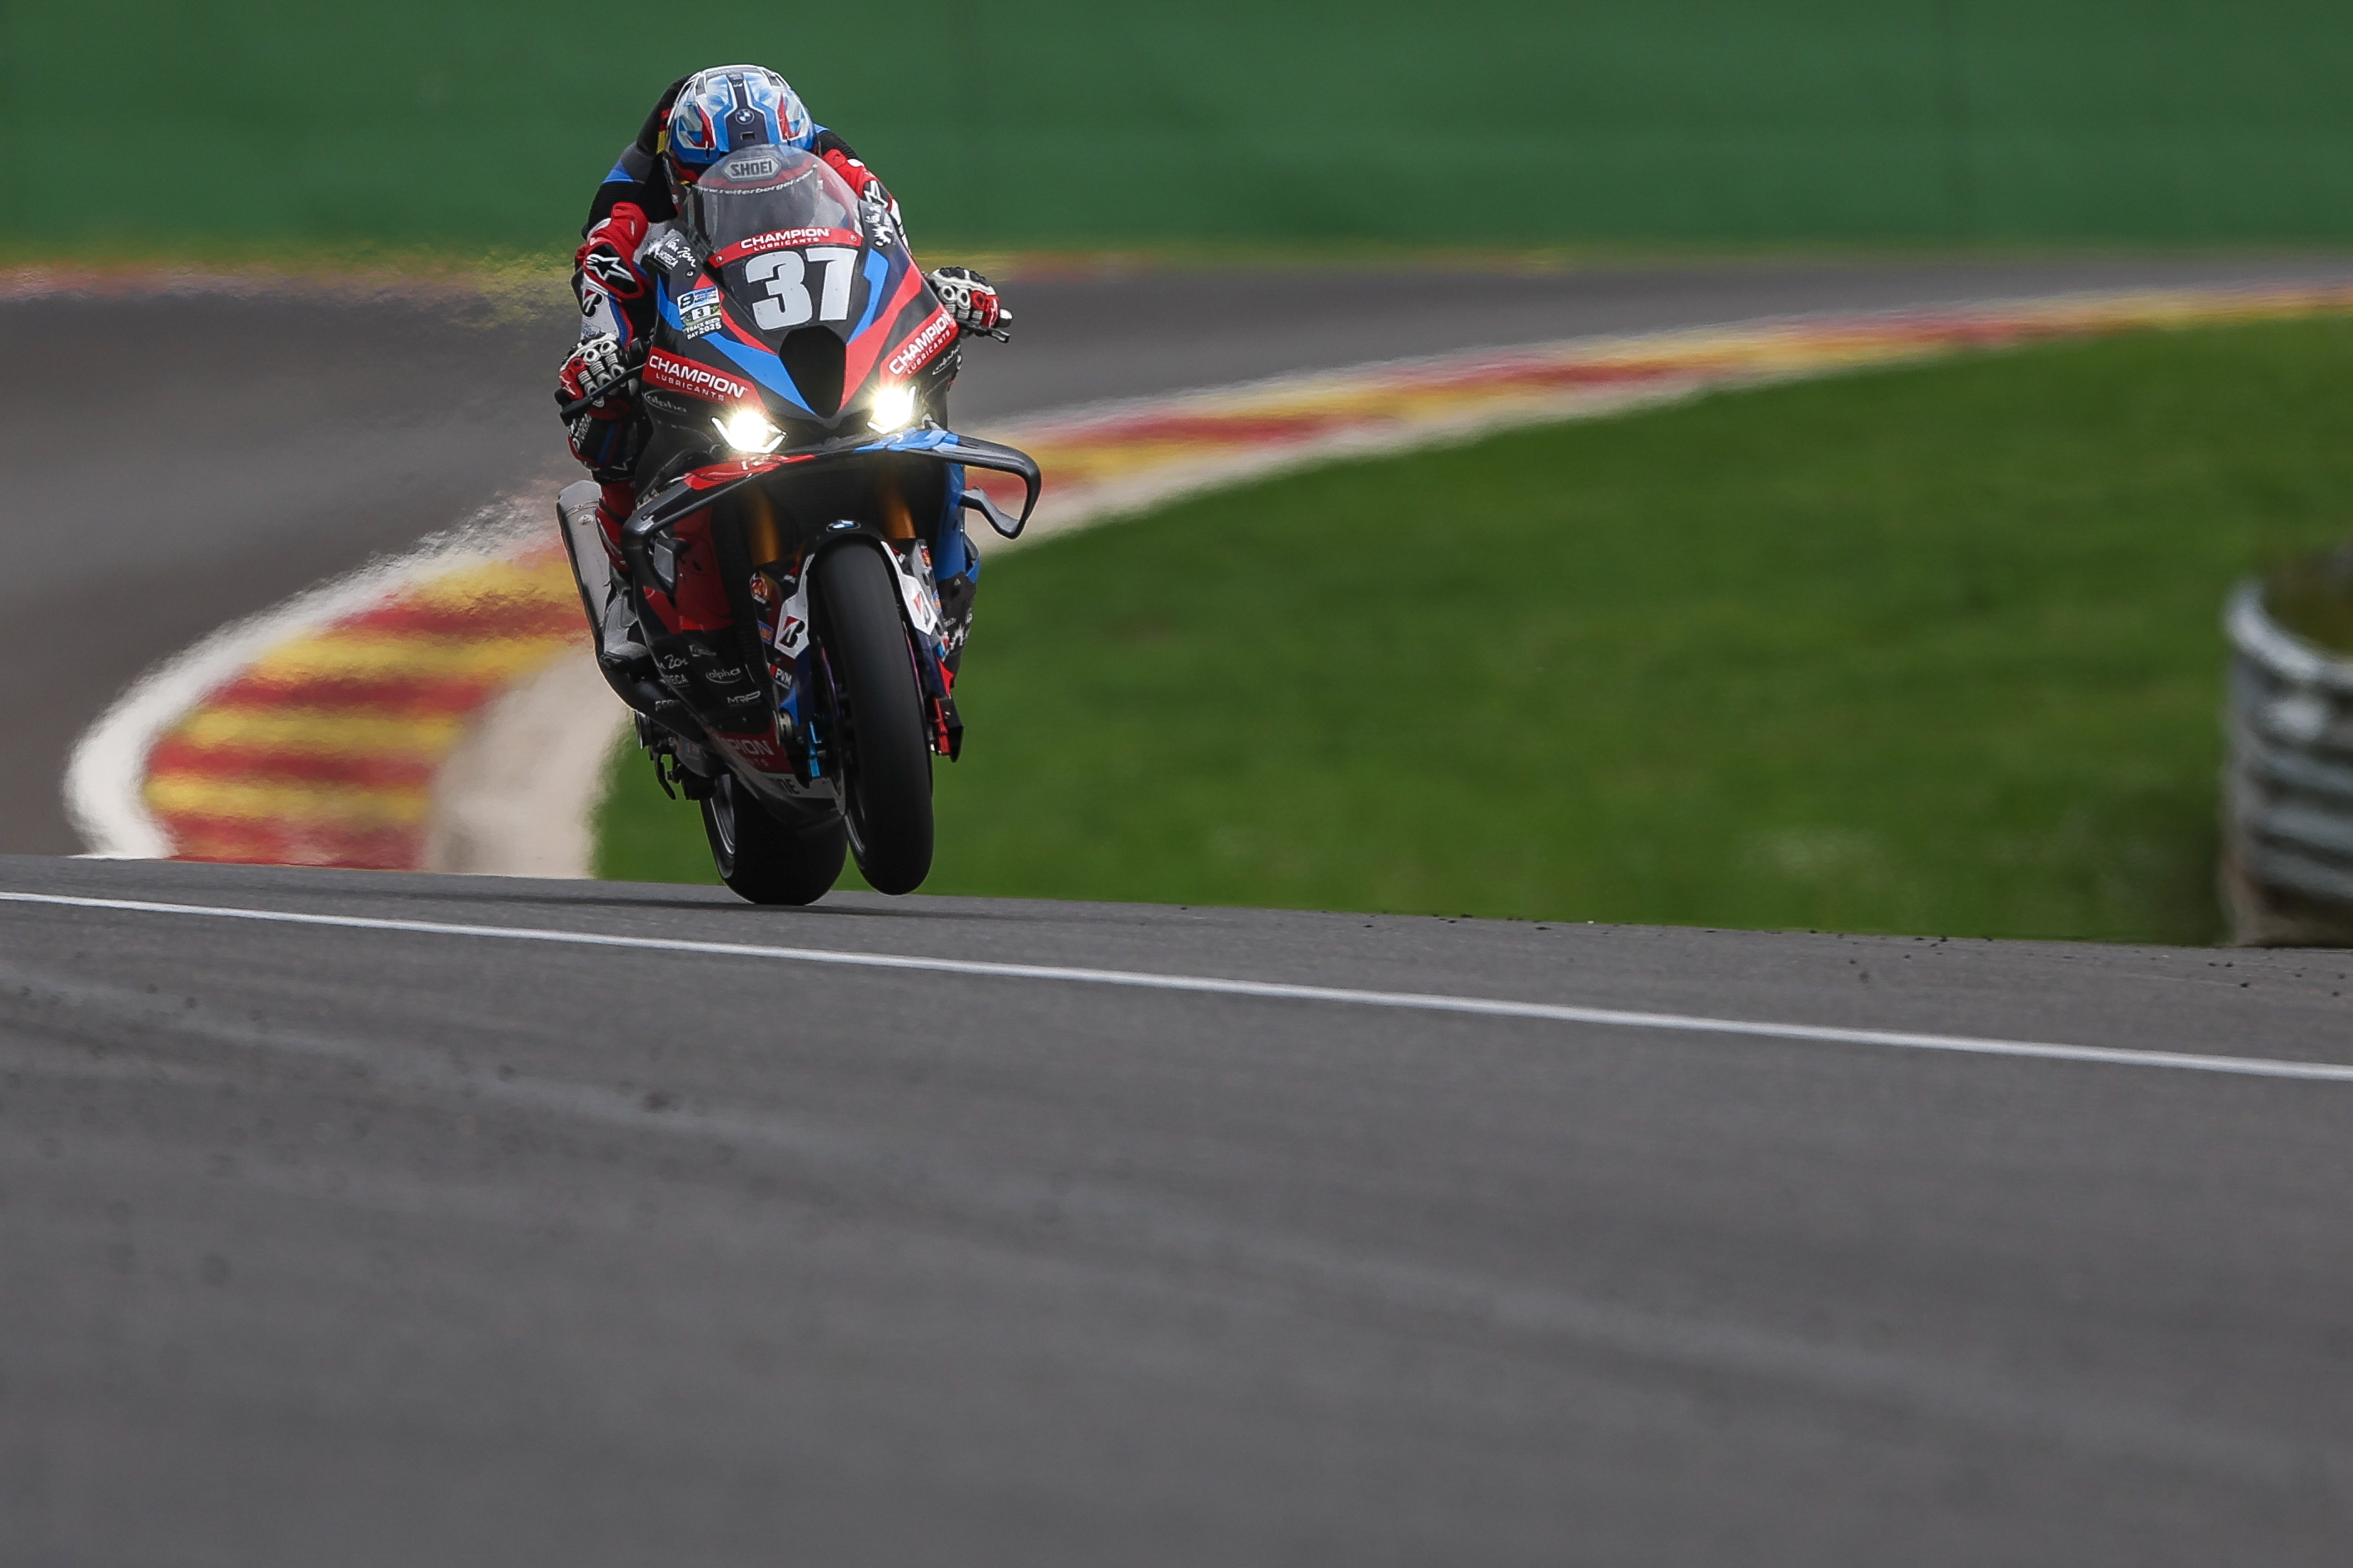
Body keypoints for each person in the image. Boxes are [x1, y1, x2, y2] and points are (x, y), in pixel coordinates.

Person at [554, 65, 1007, 686]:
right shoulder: (629, 215)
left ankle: (942, 562)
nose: (764, 199)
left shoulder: (842, 170)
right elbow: (602, 301)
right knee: (603, 415)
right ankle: (629, 592)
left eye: (781, 179)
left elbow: (890, 254)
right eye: (725, 185)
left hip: (821, 349)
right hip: (703, 350)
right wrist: (602, 355)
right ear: (678, 179)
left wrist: (945, 295)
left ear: (805, 156)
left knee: (920, 378)